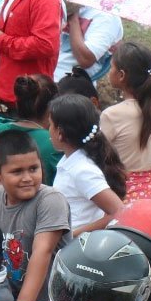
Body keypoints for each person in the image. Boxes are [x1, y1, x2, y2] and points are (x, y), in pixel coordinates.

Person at [0, 127, 70, 301]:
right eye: (17, 172)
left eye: (33, 169)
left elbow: (43, 251)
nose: (27, 178)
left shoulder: (50, 199)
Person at [50, 94, 127, 235]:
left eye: (50, 125)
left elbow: (119, 213)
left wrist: (73, 235)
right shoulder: (70, 161)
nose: (48, 129)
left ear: (60, 132)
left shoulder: (82, 170)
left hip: (76, 248)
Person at [102, 42, 151, 202]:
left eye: (111, 67)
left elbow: (99, 154)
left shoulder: (112, 115)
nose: (109, 72)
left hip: (121, 193)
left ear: (122, 75)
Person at [57, 1, 122, 81]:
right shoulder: (66, 3)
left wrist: (73, 20)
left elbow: (85, 59)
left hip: (66, 81)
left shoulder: (107, 17)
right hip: (46, 70)